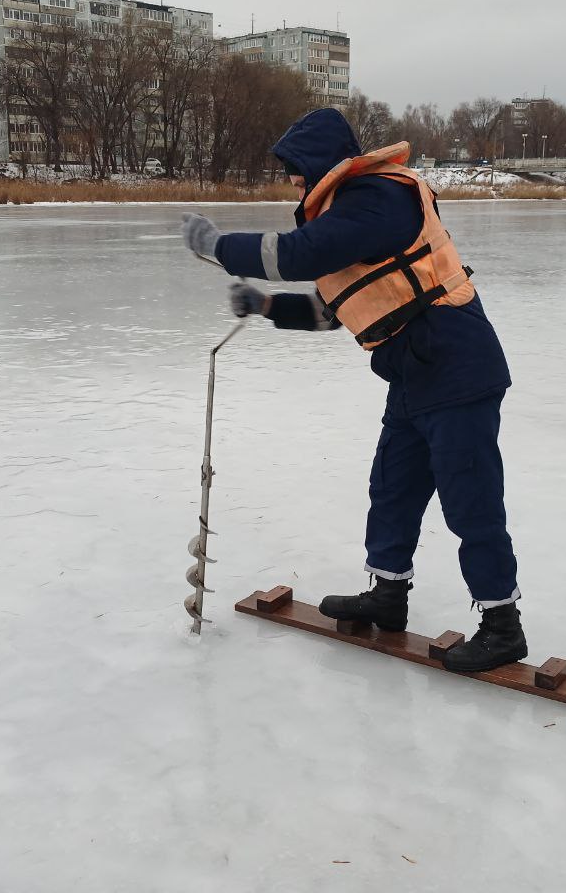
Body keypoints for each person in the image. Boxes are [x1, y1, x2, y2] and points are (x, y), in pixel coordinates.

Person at [180, 108, 525, 672]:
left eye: (295, 169)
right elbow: (332, 310)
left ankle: (502, 624)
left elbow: (297, 255)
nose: (292, 180)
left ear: (319, 163)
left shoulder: (379, 197)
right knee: (392, 487)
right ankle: (387, 596)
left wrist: (219, 247)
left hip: (458, 368)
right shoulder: (350, 218)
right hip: (414, 375)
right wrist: (266, 307)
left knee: (471, 501)